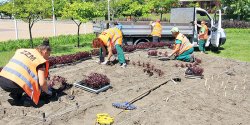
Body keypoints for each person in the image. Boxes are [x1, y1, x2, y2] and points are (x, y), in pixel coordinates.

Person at [0, 38, 52, 106]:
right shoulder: (40, 61)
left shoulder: (23, 50)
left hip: (2, 80)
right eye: (49, 54)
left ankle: (16, 95)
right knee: (36, 81)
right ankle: (28, 100)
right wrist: (48, 91)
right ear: (45, 52)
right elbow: (42, 83)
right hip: (12, 84)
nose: (49, 56)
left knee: (23, 74)